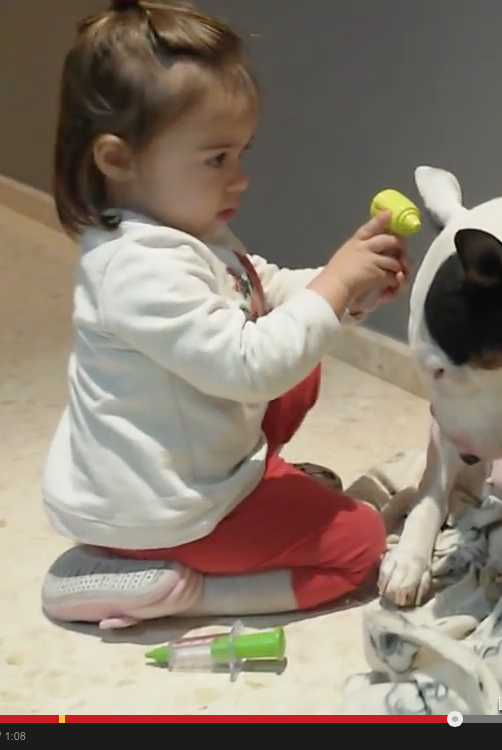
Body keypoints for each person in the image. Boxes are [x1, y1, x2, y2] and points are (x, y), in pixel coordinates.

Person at [39, 0, 410, 629]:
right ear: (117, 158)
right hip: (157, 508)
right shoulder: (135, 269)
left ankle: (252, 486)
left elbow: (260, 290)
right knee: (359, 548)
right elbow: (248, 367)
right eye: (216, 159)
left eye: (241, 153)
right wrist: (335, 284)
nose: (239, 179)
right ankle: (172, 587)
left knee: (299, 364)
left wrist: (344, 291)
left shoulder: (190, 232)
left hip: (186, 465)